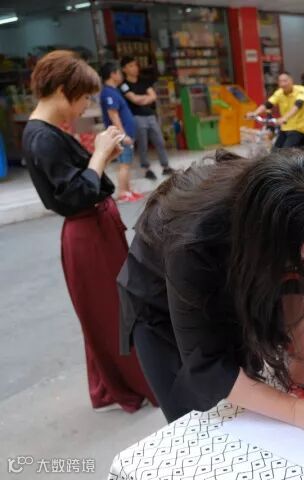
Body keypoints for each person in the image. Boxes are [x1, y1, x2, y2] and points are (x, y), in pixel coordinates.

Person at [117, 149, 304, 429]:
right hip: (159, 307)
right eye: (302, 259)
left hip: (233, 270)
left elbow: (295, 280)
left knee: (246, 399)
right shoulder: (192, 244)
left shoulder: (284, 217)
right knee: (195, 421)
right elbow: (207, 364)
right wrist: (295, 411)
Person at [23, 50, 157, 412]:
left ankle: (126, 380)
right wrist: (98, 155)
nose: (85, 106)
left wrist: (104, 155)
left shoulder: (46, 132)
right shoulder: (42, 137)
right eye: (83, 98)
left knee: (113, 309)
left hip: (93, 229)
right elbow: (76, 193)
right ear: (62, 91)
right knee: (113, 312)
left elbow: (84, 183)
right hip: (87, 233)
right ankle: (137, 381)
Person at [119, 56, 173, 180]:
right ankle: (146, 169)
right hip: (137, 116)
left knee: (160, 141)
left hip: (150, 115)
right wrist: (145, 98)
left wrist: (142, 99)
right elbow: (134, 99)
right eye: (131, 66)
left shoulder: (143, 81)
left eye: (135, 65)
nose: (135, 68)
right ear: (124, 69)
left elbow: (153, 96)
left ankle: (165, 166)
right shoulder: (124, 85)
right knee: (142, 144)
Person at [99, 61, 143, 203]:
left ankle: (128, 190)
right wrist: (122, 135)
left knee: (127, 163)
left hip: (126, 134)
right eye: (119, 72)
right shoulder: (108, 93)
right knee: (124, 164)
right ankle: (123, 192)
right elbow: (114, 115)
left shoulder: (114, 91)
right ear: (113, 74)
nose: (121, 75)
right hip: (121, 136)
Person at [247, 72, 304, 149]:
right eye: (280, 81)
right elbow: (268, 104)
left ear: (291, 81)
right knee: (275, 150)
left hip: (297, 128)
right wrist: (255, 113)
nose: (283, 84)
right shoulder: (279, 92)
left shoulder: (301, 90)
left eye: (285, 81)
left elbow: (297, 105)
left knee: (285, 151)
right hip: (284, 127)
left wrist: (284, 118)